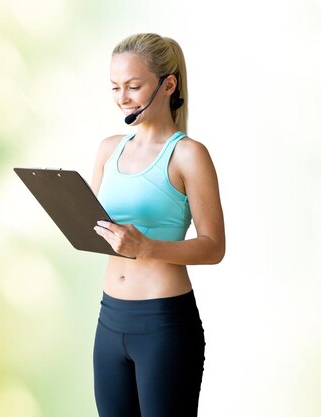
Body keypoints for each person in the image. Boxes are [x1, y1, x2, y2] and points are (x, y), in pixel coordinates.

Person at [90, 33, 226, 417]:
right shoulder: (108, 148)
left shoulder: (188, 155)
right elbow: (96, 225)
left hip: (163, 325)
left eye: (134, 86)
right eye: (115, 87)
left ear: (168, 85)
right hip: (109, 320)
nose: (123, 97)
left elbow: (213, 246)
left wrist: (146, 247)